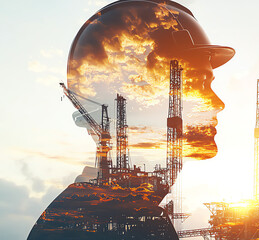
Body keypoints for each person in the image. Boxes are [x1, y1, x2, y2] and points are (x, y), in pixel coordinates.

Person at [27, 1, 234, 239]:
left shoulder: (74, 215)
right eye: (200, 84)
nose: (218, 104)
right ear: (147, 100)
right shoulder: (136, 224)